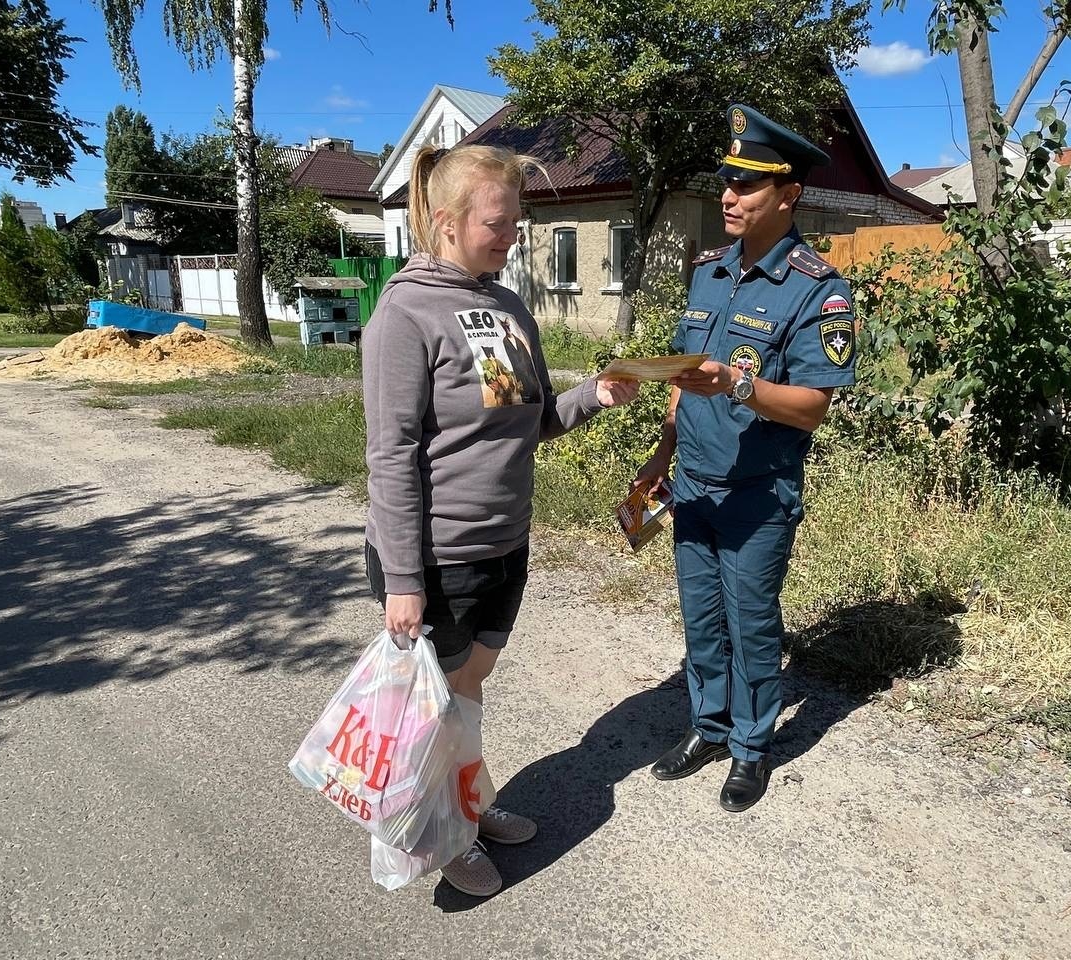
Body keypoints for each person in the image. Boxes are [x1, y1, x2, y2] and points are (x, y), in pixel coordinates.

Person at [362, 144, 639, 896]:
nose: (512, 235)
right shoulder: (404, 311)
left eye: (516, 221)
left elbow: (533, 418)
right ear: (447, 221)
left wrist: (595, 395)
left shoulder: (506, 307)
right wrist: (402, 580)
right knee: (440, 708)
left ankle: (472, 805)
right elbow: (389, 455)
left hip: (504, 540)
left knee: (469, 690)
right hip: (436, 555)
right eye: (498, 221)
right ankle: (443, 839)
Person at [633, 104, 857, 812]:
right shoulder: (709, 273)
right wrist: (657, 460)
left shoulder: (818, 289)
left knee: (750, 623)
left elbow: (814, 406)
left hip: (758, 494)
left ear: (787, 195)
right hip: (695, 486)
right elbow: (682, 386)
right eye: (728, 181)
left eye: (748, 186)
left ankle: (752, 749)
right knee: (701, 620)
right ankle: (709, 727)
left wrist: (739, 383)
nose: (728, 196)